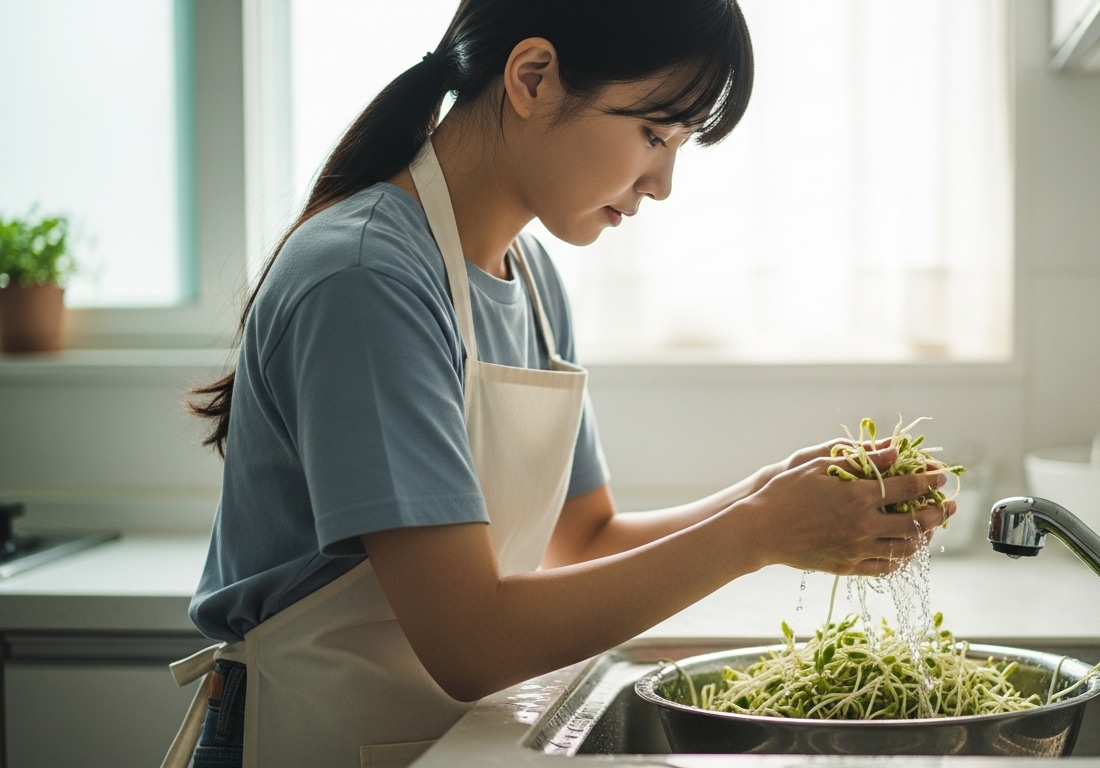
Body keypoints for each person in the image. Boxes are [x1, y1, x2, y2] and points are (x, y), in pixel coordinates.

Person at [165, 2, 954, 767]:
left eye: (681, 143)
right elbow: (471, 642)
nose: (663, 183)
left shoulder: (528, 274)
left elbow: (586, 538)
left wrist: (777, 494)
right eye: (654, 132)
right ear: (533, 77)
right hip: (310, 738)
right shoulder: (365, 276)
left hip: (438, 742)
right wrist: (758, 532)